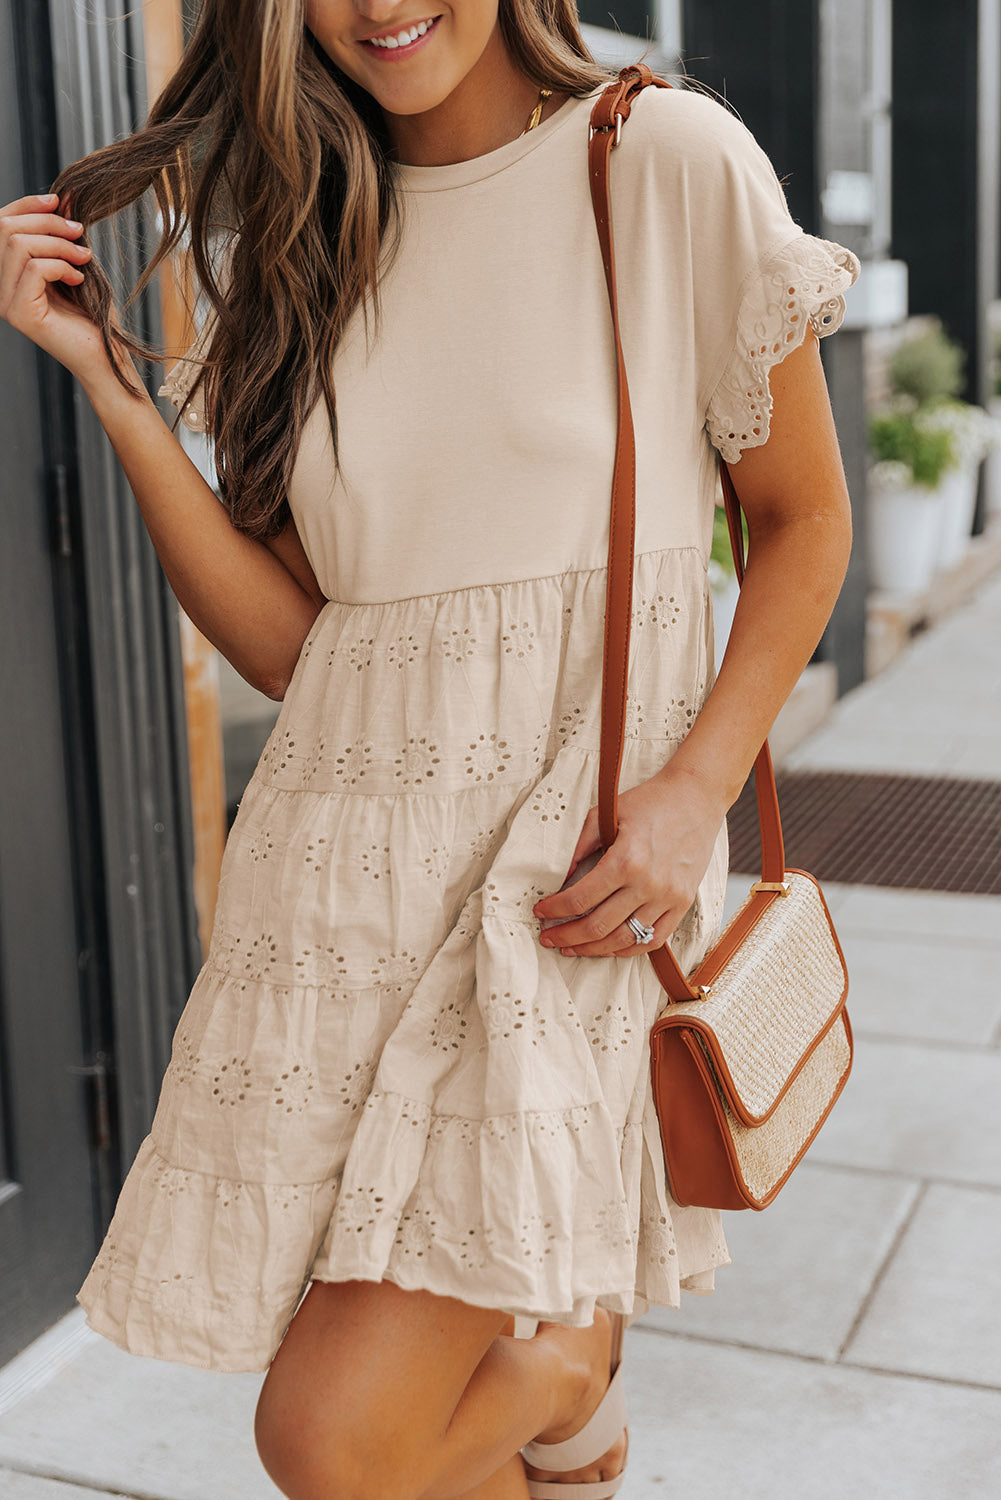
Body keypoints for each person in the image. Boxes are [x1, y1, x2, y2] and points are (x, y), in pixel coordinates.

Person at [0, 2, 858, 1497]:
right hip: (346, 887)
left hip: (566, 877)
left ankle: (561, 1365)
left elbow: (802, 519)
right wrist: (118, 397)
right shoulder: (292, 237)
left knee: (334, 1440)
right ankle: (569, 1436)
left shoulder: (656, 161)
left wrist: (691, 790)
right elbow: (294, 647)